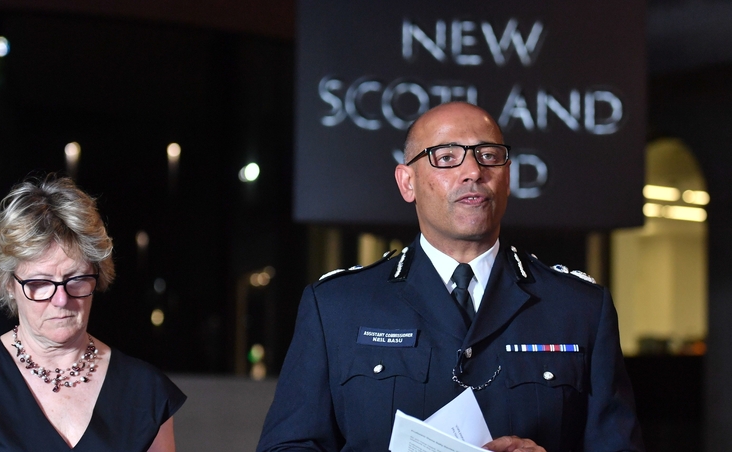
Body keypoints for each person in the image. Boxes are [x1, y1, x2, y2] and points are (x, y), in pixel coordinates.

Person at [257, 102, 644, 452]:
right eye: (446, 157)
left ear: (507, 177)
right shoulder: (337, 306)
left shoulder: (579, 308)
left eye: (489, 156)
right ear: (407, 182)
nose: (473, 171)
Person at [0, 174, 186, 451]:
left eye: (75, 279)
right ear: (8, 285)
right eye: (40, 283)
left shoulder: (146, 391)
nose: (61, 299)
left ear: (97, 277)